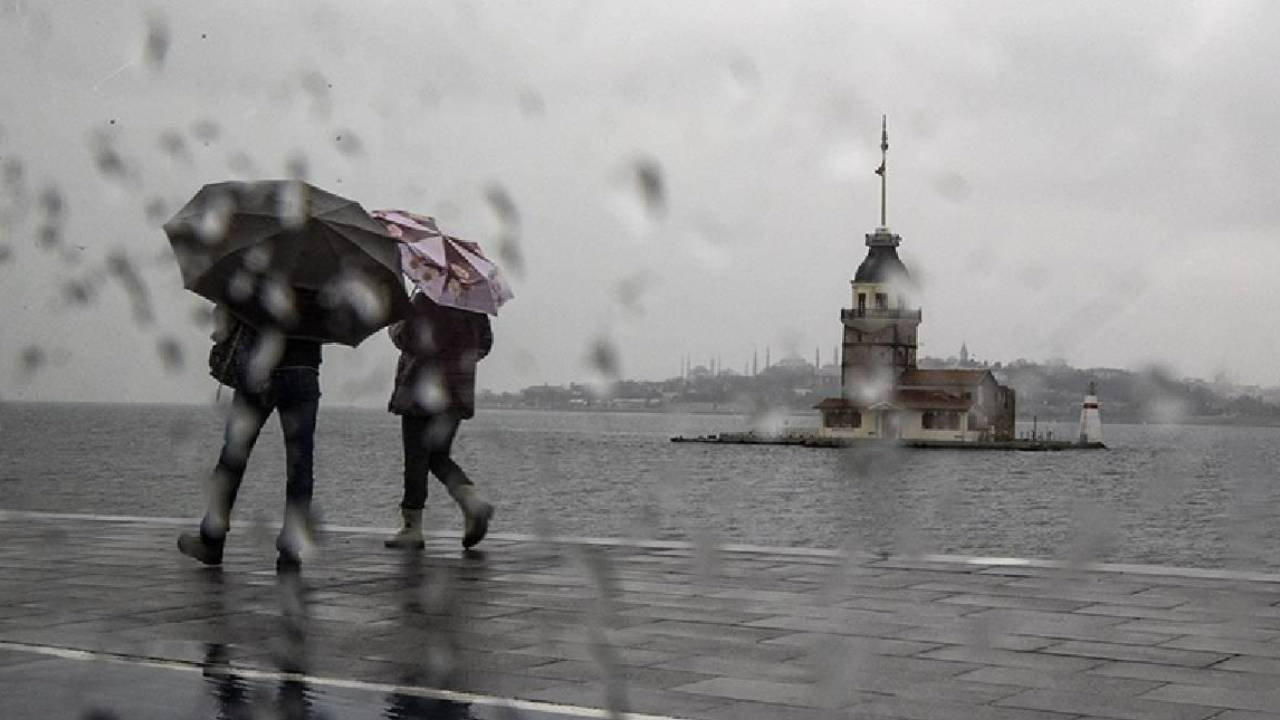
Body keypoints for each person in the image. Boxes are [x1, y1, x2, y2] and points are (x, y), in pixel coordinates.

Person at [178, 304, 323, 571]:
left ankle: (212, 538)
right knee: (300, 463)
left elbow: (233, 309)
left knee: (233, 456)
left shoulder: (261, 266)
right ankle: (291, 548)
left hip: (260, 369)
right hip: (303, 371)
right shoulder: (324, 272)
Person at [384, 291, 494, 550]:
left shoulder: (425, 299)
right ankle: (472, 502)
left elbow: (409, 338)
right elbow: (485, 344)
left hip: (421, 392)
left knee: (416, 458)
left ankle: (412, 528)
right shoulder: (473, 304)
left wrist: (395, 326)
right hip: (456, 393)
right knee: (437, 456)